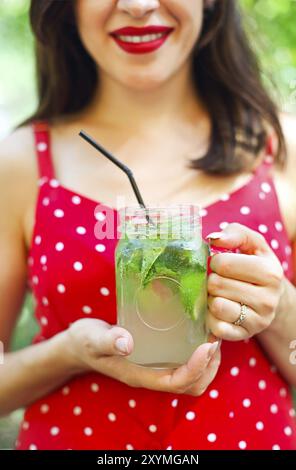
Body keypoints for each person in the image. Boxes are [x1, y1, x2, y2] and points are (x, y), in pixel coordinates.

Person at [0, 0, 295, 450]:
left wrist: (280, 309)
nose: (138, 5)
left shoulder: (281, 149)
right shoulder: (19, 165)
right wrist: (69, 353)